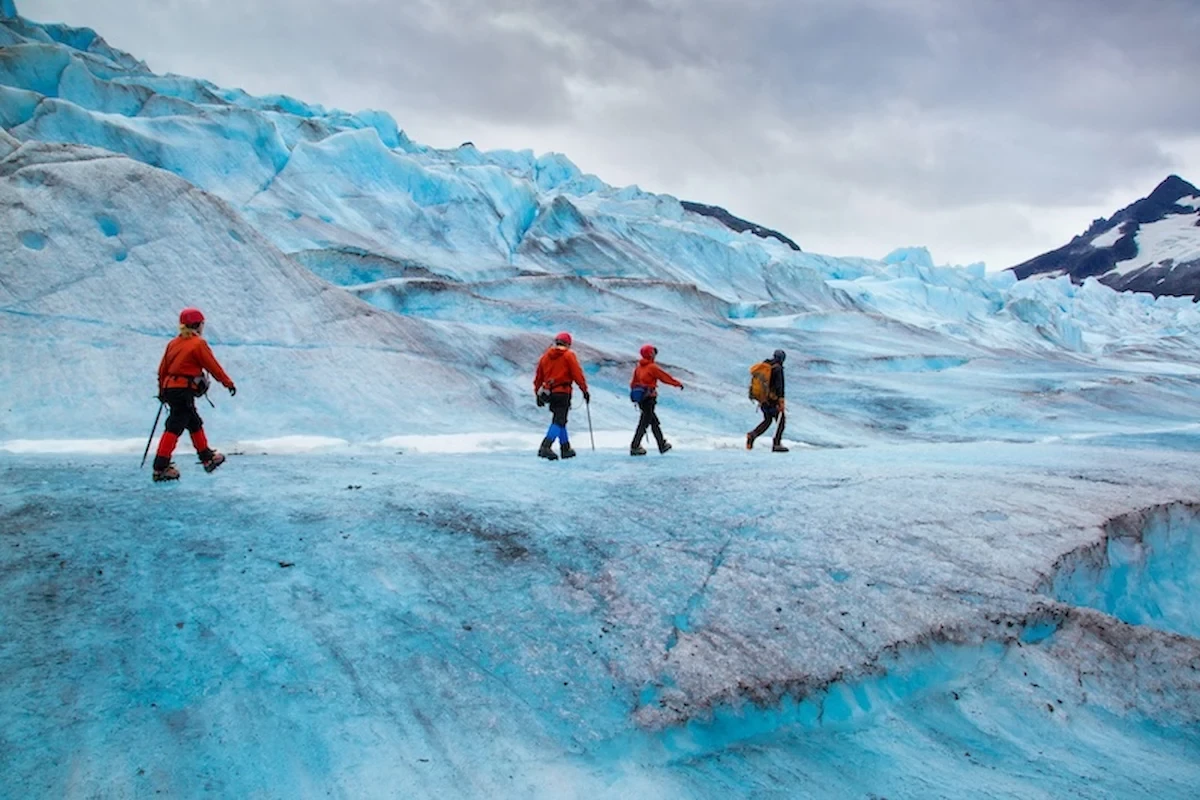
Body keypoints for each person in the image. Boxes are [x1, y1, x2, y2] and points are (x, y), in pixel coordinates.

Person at [151, 307, 237, 482]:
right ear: (198, 325)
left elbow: (162, 370)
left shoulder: (173, 344)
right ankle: (161, 467)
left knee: (193, 422)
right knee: (175, 425)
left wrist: (162, 391)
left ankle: (206, 457)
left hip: (171, 389)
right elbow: (212, 366)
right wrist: (228, 383)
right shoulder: (198, 344)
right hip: (184, 390)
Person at [533, 331, 589, 460]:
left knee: (560, 419)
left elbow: (538, 377)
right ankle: (545, 446)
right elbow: (577, 374)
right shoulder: (568, 355)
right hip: (563, 392)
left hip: (550, 393)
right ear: (568, 344)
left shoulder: (545, 357)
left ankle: (565, 448)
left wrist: (537, 393)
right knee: (559, 420)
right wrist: (584, 390)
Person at [629, 343, 683, 456]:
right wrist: (676, 383)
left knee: (653, 422)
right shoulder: (652, 367)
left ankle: (662, 444)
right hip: (649, 398)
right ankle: (635, 446)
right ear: (650, 354)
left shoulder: (638, 368)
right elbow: (665, 377)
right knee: (644, 422)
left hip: (641, 399)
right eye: (653, 352)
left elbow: (633, 383)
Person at [747, 349, 788, 453]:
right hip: (773, 400)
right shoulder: (778, 369)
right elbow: (779, 387)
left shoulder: (766, 366)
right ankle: (776, 443)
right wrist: (781, 401)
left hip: (763, 399)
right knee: (781, 421)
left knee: (768, 420)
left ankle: (752, 435)